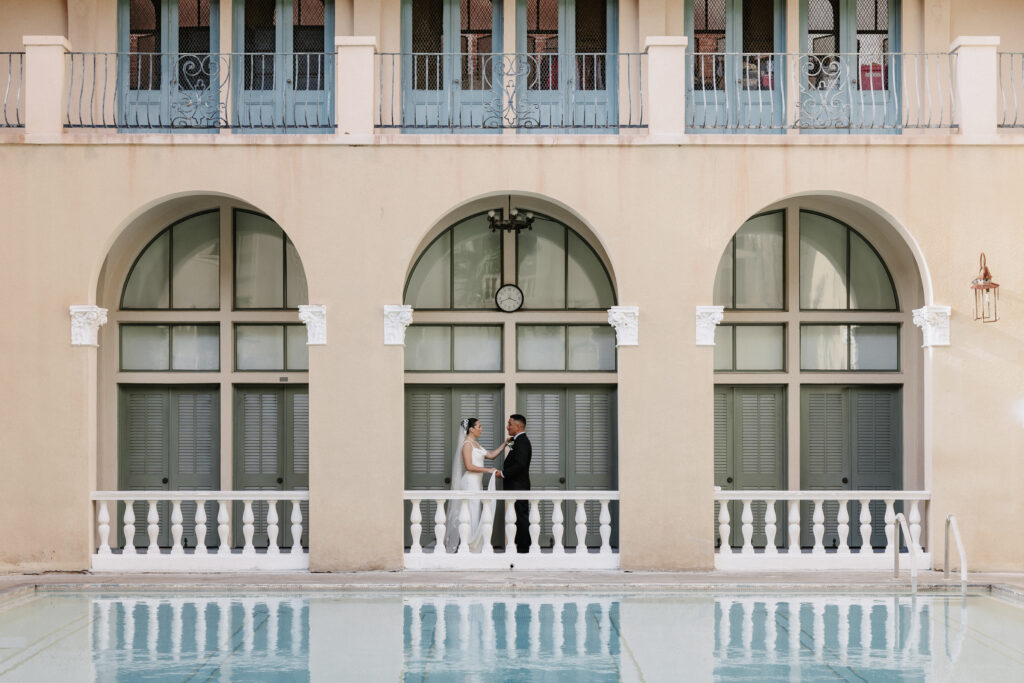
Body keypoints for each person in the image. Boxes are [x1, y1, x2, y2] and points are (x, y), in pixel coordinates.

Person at [443, 417, 509, 553]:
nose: (481, 428)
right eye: (479, 426)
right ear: (471, 429)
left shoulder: (476, 444)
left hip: (476, 483)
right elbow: (469, 466)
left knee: (475, 511)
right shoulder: (467, 444)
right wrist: (488, 470)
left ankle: (474, 544)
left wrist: (505, 443)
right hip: (469, 482)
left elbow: (491, 455)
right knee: (470, 512)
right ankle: (469, 545)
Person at [495, 414, 532, 553]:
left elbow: (520, 464)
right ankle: (520, 546)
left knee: (521, 517)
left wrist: (503, 474)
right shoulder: (518, 441)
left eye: (510, 424)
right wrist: (509, 443)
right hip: (516, 486)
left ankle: (524, 548)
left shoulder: (522, 442)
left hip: (518, 486)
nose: (507, 426)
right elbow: (514, 456)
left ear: (518, 426)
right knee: (516, 516)